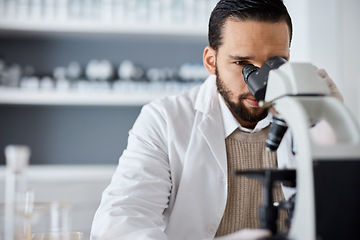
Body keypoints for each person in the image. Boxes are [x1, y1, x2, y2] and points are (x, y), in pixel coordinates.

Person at [90, 0, 343, 239]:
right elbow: (119, 224)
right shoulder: (164, 120)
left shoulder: (306, 117)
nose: (260, 84)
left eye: (274, 65)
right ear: (211, 61)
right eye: (243, 64)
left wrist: (335, 123)